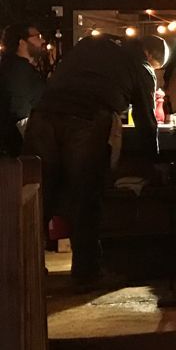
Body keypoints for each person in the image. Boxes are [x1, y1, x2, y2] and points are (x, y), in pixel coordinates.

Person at [23, 34, 166, 288]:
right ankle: (86, 273)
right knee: (86, 195)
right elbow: (146, 119)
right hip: (86, 121)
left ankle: (25, 270)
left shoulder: (90, 45)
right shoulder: (141, 66)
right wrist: (153, 161)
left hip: (42, 117)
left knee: (38, 196)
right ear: (151, 56)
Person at [0, 22, 46, 157]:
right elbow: (20, 111)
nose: (42, 40)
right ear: (22, 42)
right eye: (37, 37)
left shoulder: (14, 68)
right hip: (19, 150)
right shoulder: (18, 71)